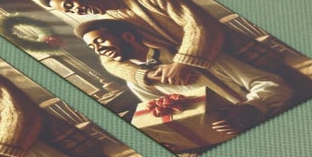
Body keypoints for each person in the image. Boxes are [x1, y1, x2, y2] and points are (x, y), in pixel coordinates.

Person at [75, 19, 292, 135]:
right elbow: (166, 117)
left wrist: (253, 108)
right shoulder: (137, 81)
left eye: (101, 41)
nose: (99, 49)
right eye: (93, 47)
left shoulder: (190, 55)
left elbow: (272, 85)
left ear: (128, 36)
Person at [32, 0, 226, 88]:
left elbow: (199, 25)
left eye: (70, 4)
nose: (77, 11)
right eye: (69, 11)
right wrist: (146, 76)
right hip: (191, 65)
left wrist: (181, 63)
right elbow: (109, 61)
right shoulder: (108, 22)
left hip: (225, 49)